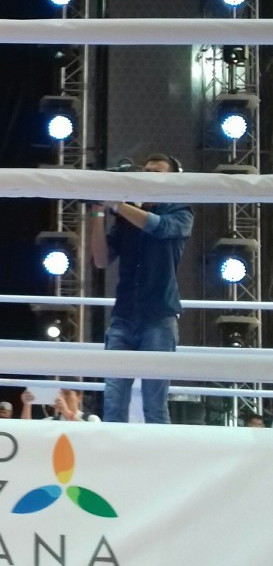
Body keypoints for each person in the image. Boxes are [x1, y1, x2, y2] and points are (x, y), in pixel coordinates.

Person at [90, 153, 194, 424]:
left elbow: (157, 227)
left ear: (172, 180)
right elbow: (101, 259)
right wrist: (98, 211)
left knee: (155, 406)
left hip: (159, 316)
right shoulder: (125, 217)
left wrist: (117, 203)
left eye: (156, 172)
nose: (148, 176)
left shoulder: (180, 211)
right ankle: (114, 453)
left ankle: (162, 455)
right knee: (113, 403)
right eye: (145, 171)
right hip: (123, 316)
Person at [21, 388, 101, 422]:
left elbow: (88, 435)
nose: (63, 398)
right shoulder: (51, 421)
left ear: (79, 397)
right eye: (60, 394)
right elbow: (27, 429)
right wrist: (27, 404)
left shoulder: (91, 419)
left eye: (67, 394)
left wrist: (66, 412)